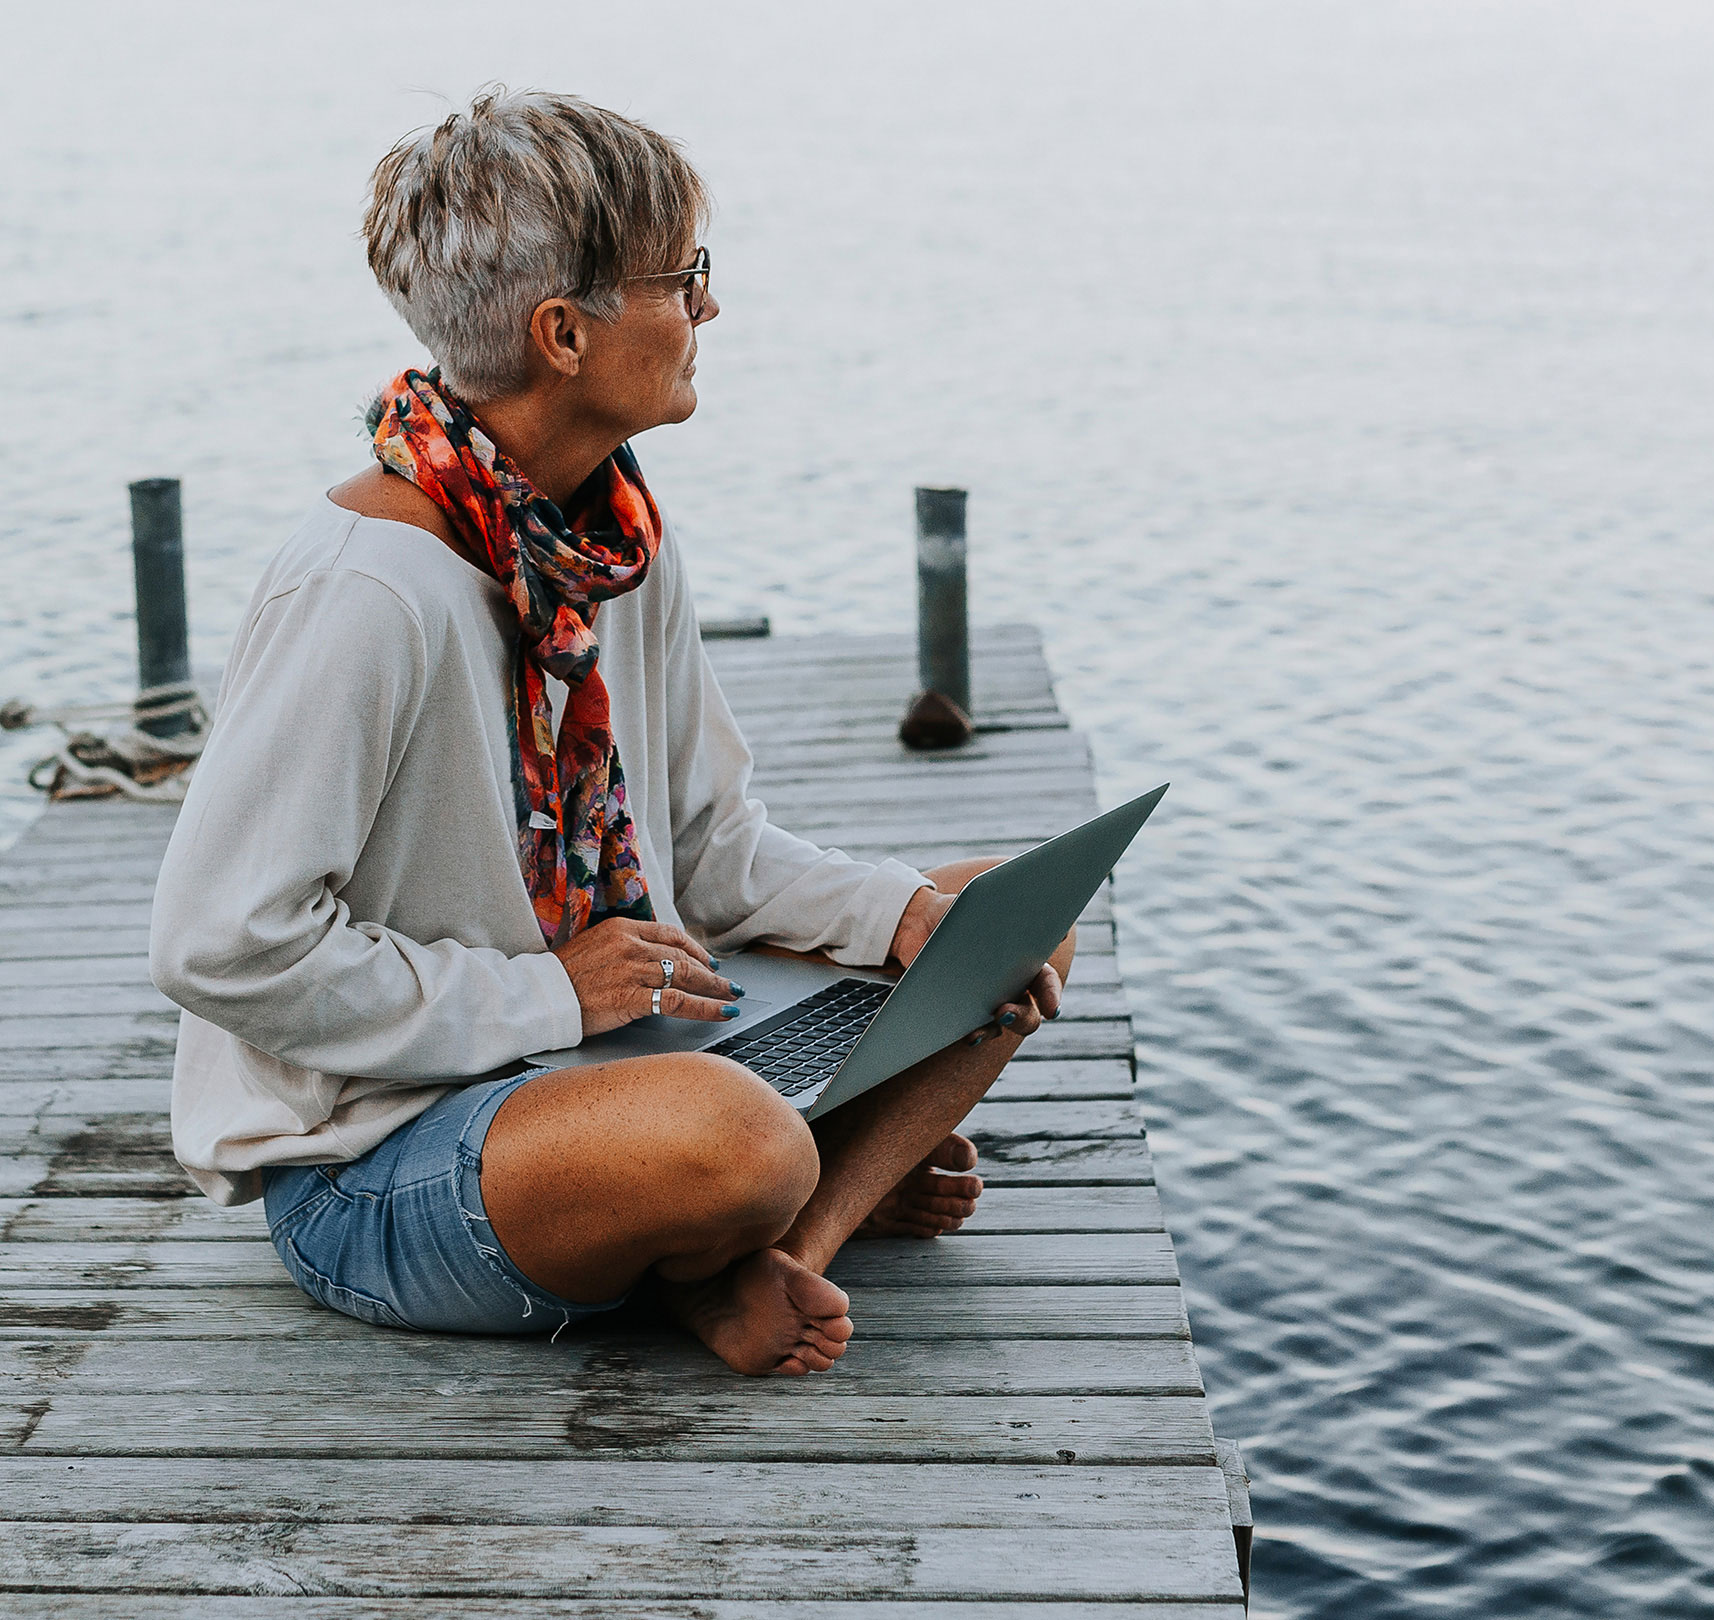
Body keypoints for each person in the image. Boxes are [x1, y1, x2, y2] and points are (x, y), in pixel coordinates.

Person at [147, 89, 1070, 1376]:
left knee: (1004, 909)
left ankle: (783, 1243)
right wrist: (548, 994)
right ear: (564, 333)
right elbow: (220, 945)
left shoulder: (613, 534)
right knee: (735, 1138)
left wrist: (900, 916)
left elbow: (711, 847)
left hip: (617, 1052)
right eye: (683, 278)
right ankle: (747, 1201)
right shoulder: (367, 589)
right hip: (378, 1162)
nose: (707, 309)